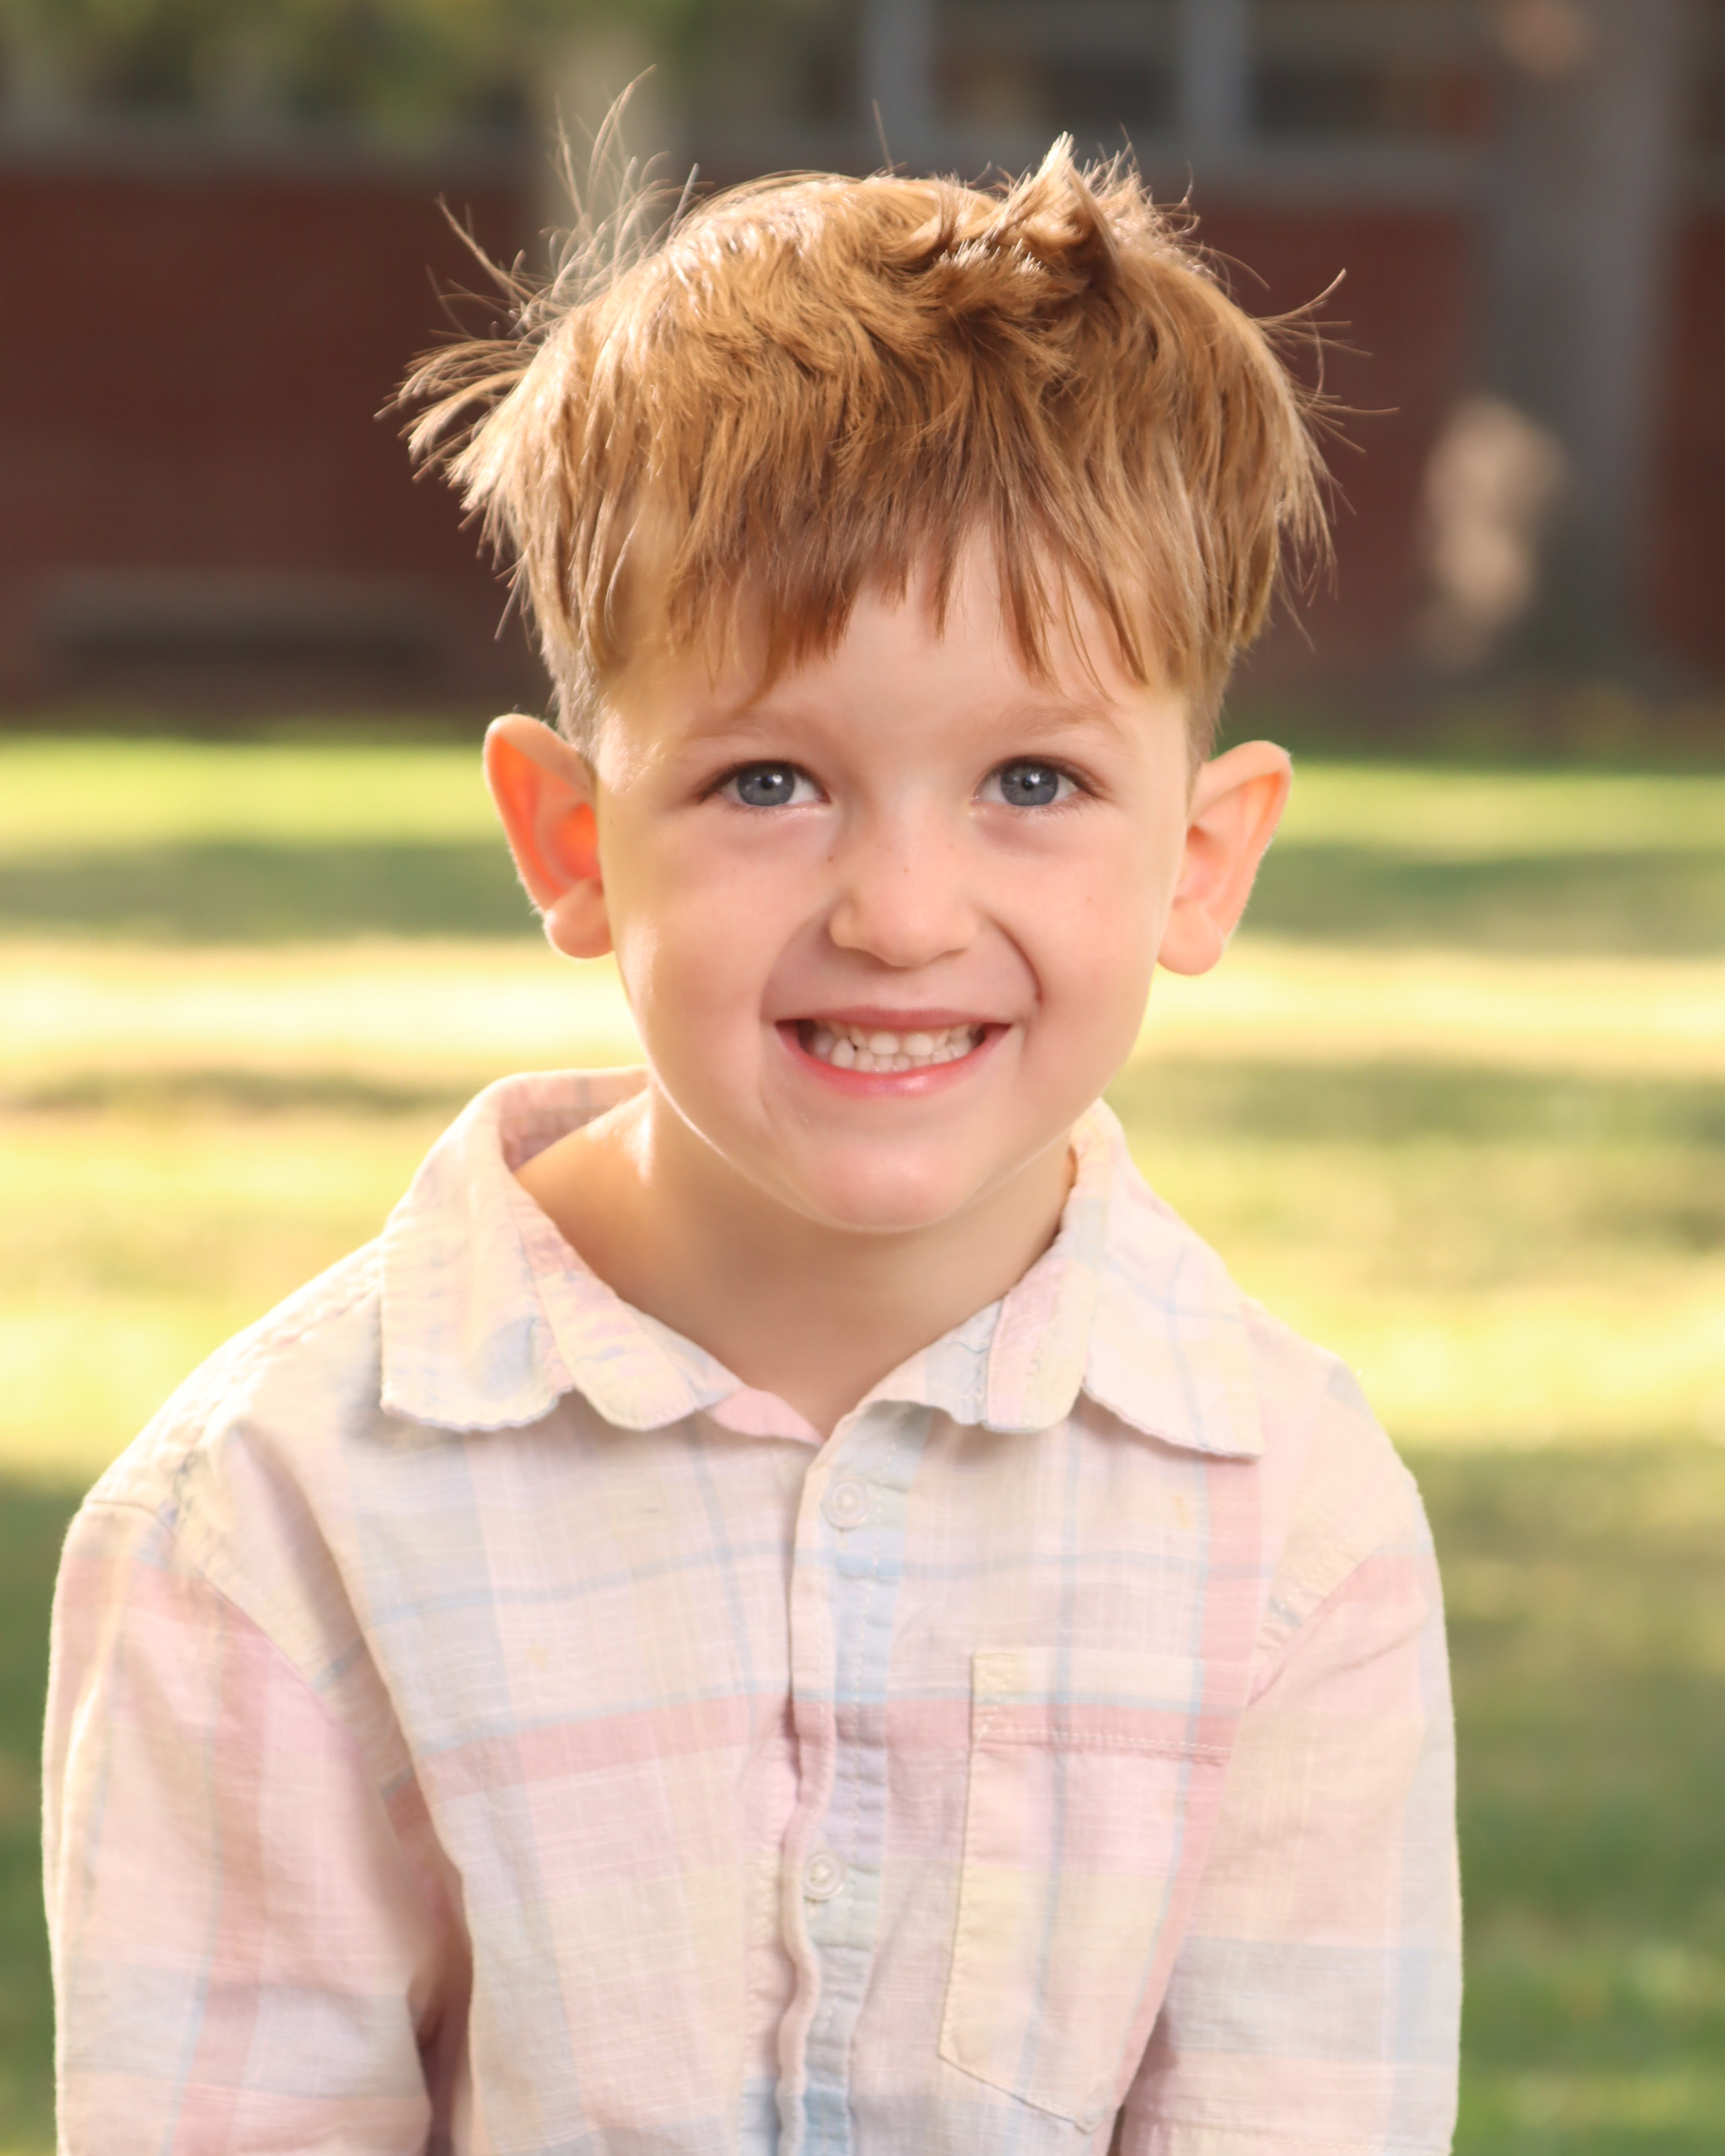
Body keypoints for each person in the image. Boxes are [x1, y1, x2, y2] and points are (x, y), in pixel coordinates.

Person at [44, 142, 1460, 2155]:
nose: (902, 912)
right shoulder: (272, 1519)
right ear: (570, 841)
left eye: (1032, 780)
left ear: (1202, 860)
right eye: (770, 781)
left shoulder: (1293, 1522)